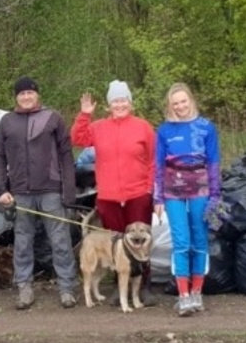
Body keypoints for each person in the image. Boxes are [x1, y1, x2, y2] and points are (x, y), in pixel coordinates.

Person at [0, 77, 79, 309]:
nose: (26, 97)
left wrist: (68, 191)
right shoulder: (7, 121)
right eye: (22, 94)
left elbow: (67, 156)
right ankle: (24, 286)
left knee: (60, 240)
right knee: (22, 241)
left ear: (37, 95)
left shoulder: (53, 118)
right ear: (16, 97)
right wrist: (1, 189)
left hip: (51, 190)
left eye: (30, 93)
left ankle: (67, 287)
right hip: (20, 193)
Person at [72, 80, 156, 298]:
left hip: (138, 195)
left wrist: (149, 189)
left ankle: (143, 287)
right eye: (115, 101)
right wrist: (85, 115)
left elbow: (154, 161)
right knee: (116, 244)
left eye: (123, 100)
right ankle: (120, 288)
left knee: (140, 241)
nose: (120, 105)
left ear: (130, 103)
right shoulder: (99, 127)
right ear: (109, 105)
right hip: (109, 197)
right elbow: (78, 138)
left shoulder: (143, 127)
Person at [153, 83, 220, 317]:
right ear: (170, 106)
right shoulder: (164, 130)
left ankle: (197, 292)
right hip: (173, 190)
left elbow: (213, 161)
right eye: (175, 103)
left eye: (184, 101)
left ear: (191, 100)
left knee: (199, 240)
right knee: (181, 241)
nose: (180, 106)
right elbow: (158, 164)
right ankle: (183, 295)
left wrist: (215, 194)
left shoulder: (206, 127)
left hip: (200, 189)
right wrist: (158, 197)